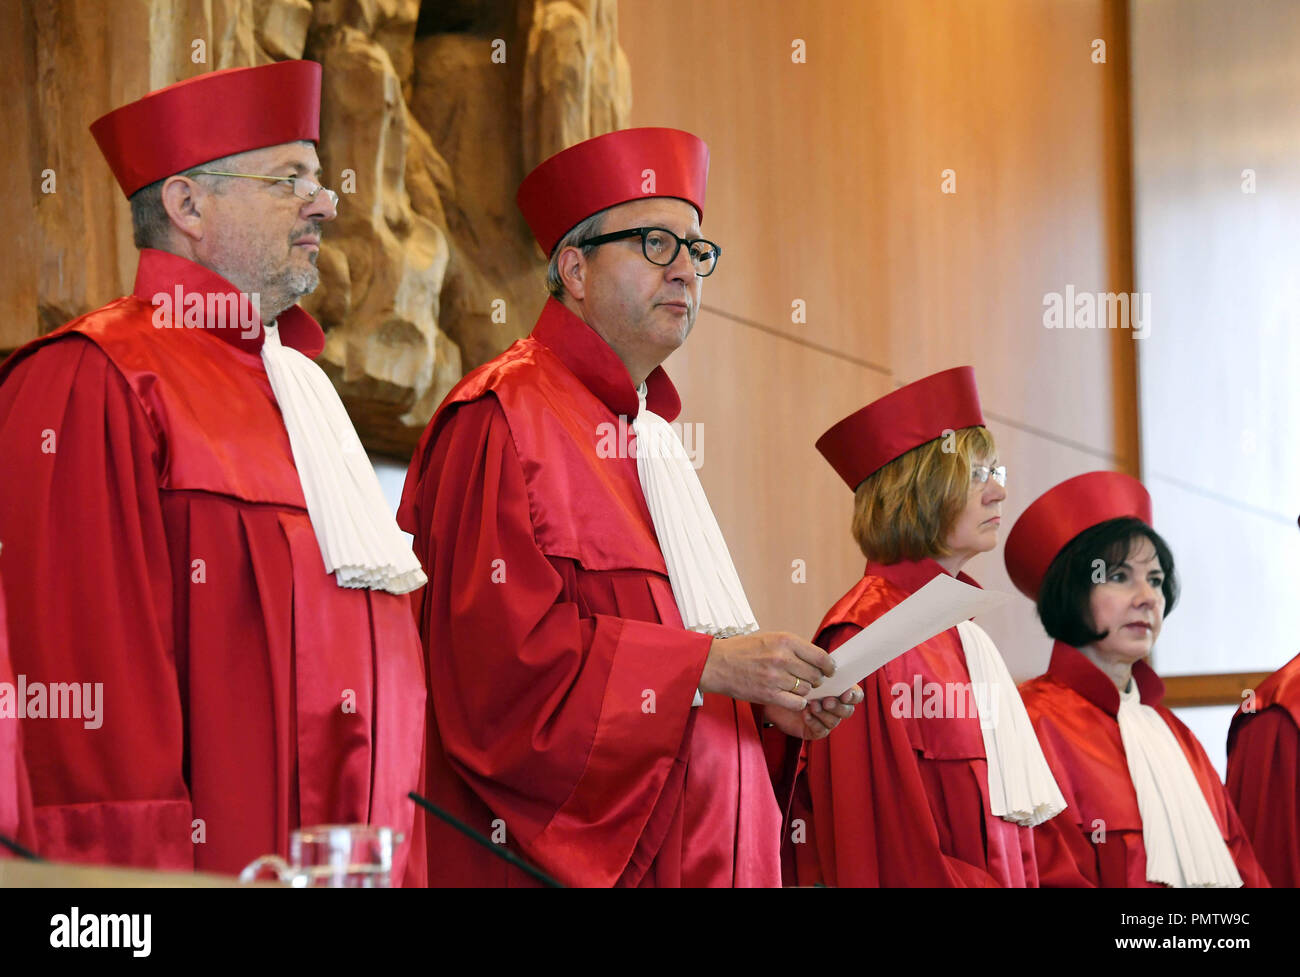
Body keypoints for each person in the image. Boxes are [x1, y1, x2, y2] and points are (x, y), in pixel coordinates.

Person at [398, 126, 861, 887]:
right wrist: (709, 664)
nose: (685, 270)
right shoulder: (502, 418)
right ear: (573, 269)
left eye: (697, 251)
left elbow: (681, 680)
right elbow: (491, 686)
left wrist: (769, 705)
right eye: (655, 243)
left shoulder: (653, 442)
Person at [0, 61, 427, 882]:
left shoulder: (303, 391)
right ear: (189, 205)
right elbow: (90, 722)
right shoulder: (95, 379)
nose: (325, 200)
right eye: (291, 178)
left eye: (319, 176)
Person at [787, 367, 1074, 887]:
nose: (998, 495)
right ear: (916, 489)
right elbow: (882, 853)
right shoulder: (864, 636)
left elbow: (1023, 836)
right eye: (977, 475)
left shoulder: (962, 634)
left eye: (997, 474)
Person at [1007, 471, 1268, 887]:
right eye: (1119, 576)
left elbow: (1242, 863)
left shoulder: (1176, 735)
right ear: (1072, 589)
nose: (1147, 597)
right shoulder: (1027, 723)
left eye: (1157, 580)